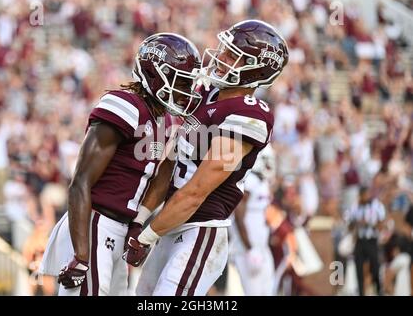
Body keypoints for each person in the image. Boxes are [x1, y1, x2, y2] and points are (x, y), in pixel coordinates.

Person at [124, 20, 289, 296]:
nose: (220, 58)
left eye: (232, 56)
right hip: (171, 223)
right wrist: (140, 219)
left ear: (255, 71)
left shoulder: (248, 114)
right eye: (225, 50)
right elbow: (169, 165)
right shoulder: (205, 94)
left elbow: (197, 192)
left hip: (201, 230)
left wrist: (146, 236)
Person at [39, 33, 203, 296]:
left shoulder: (163, 120)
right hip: (94, 224)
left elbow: (155, 178)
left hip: (119, 228)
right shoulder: (126, 105)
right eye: (180, 80)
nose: (185, 89)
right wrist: (82, 254)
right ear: (154, 74)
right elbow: (80, 180)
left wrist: (138, 225)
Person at [229, 145, 276, 295]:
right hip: (247, 249)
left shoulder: (262, 182)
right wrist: (250, 249)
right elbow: (239, 215)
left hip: (261, 247)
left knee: (268, 290)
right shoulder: (250, 180)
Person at [345, 186, 386, 296]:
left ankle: (378, 289)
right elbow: (349, 224)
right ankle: (361, 292)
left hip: (372, 240)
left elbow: (382, 224)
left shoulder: (377, 206)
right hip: (360, 240)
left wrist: (369, 223)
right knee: (358, 267)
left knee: (375, 266)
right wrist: (356, 223)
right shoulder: (355, 206)